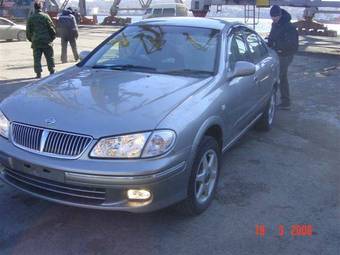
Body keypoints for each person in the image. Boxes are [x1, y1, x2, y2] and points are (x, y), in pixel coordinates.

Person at [268, 5, 299, 110]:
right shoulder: (275, 24)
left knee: (281, 76)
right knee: (281, 76)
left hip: (286, 54)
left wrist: (278, 47)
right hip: (278, 52)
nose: (274, 18)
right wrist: (268, 44)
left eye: (275, 16)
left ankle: (285, 101)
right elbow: (272, 37)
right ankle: (284, 101)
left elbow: (293, 44)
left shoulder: (289, 26)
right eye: (272, 16)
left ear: (280, 15)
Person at [26, 1, 56, 78]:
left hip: (36, 41)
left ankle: (38, 74)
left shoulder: (31, 18)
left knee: (37, 58)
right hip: (46, 41)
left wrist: (31, 39)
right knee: (49, 57)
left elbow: (28, 31)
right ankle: (52, 71)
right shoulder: (46, 16)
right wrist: (52, 38)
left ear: (34, 7)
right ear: (41, 7)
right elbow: (51, 28)